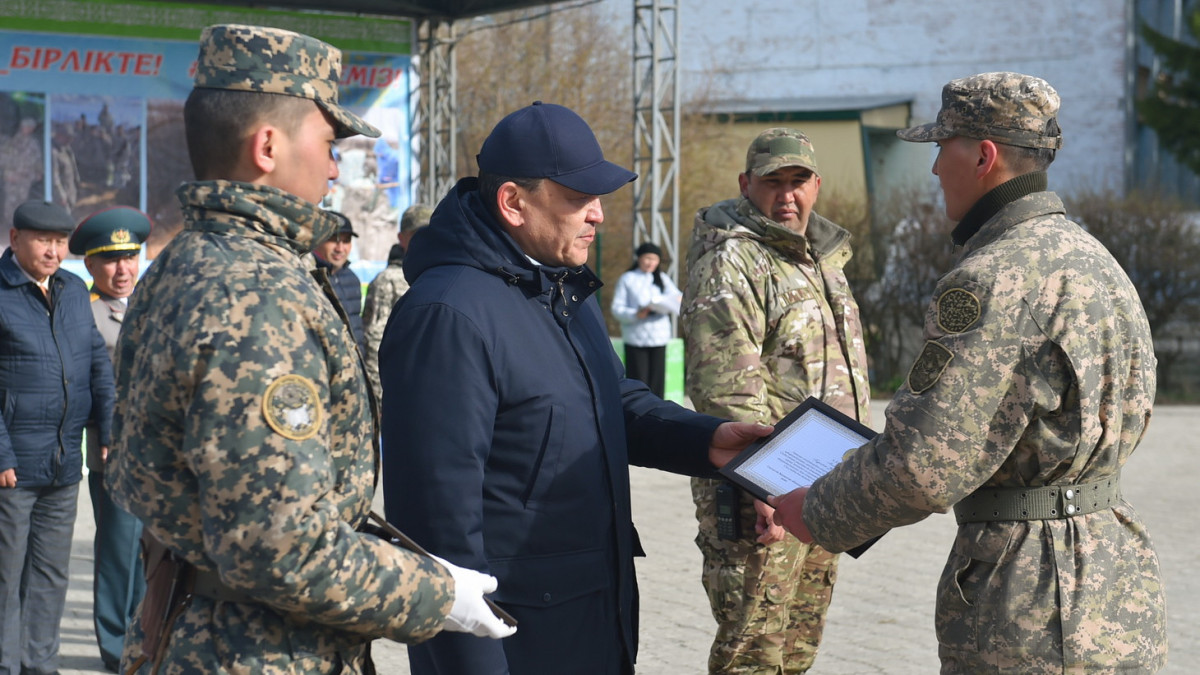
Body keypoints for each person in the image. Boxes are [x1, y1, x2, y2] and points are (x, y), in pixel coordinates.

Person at [104, 23, 512, 674]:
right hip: (261, 650)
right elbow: (279, 546)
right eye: (327, 143)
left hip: (198, 629)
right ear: (267, 145)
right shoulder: (256, 296)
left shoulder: (185, 263)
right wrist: (439, 596)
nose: (331, 167)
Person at [768, 72, 1168, 672]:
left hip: (1031, 590)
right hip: (1114, 570)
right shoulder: (1092, 258)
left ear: (983, 156)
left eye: (940, 148)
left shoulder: (993, 277)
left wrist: (819, 511)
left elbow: (922, 466)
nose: (932, 170)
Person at [379, 101, 773, 675]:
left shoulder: (559, 288)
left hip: (591, 624)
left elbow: (614, 402)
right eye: (578, 199)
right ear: (513, 202)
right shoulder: (449, 314)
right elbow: (437, 532)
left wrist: (707, 441)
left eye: (599, 200)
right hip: (516, 644)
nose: (598, 217)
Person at [680, 128, 871, 674]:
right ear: (746, 184)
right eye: (773, 182)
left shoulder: (822, 260)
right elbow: (724, 385)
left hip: (820, 483)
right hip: (761, 494)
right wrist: (760, 484)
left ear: (816, 185)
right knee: (753, 651)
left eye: (798, 181)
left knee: (796, 648)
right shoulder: (733, 260)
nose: (787, 195)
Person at [0, 199, 115, 675]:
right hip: (13, 467)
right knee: (7, 576)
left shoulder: (71, 291)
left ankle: (39, 665)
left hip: (64, 462)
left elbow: (96, 363)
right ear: (15, 239)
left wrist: (107, 426)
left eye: (60, 243)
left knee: (51, 572)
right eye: (43, 241)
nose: (53, 251)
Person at [68, 206, 152, 673]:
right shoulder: (83, 313)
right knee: (119, 551)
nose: (123, 270)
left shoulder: (152, 304)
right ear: (91, 266)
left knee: (154, 553)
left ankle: (147, 637)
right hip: (112, 450)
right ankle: (116, 647)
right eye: (111, 260)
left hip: (157, 454)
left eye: (130, 258)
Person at [363, 203, 432, 403]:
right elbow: (374, 339)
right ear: (402, 238)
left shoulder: (440, 271)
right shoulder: (389, 280)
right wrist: (380, 397)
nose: (424, 238)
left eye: (429, 230)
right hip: (401, 391)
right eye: (416, 233)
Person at [610, 241, 682, 398]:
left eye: (654, 259)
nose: (651, 262)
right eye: (647, 258)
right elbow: (617, 308)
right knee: (638, 381)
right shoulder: (627, 279)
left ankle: (657, 416)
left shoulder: (662, 278)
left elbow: (677, 297)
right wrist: (636, 314)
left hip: (659, 338)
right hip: (636, 338)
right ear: (639, 258)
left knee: (657, 383)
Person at [313, 210, 366, 352]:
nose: (340, 248)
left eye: (346, 240)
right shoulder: (307, 277)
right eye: (334, 240)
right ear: (317, 239)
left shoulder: (352, 279)